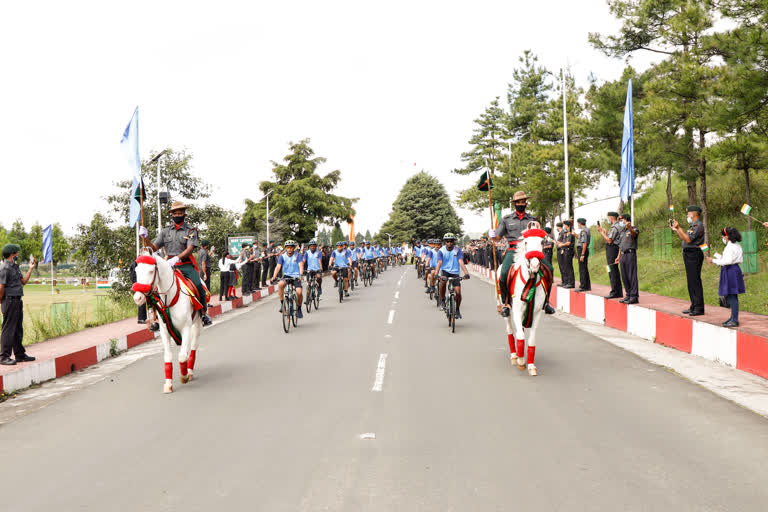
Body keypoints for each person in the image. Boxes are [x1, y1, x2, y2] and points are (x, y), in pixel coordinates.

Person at [141, 201, 212, 325]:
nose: (178, 215)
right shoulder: (165, 231)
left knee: (198, 286)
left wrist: (177, 258)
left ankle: (203, 313)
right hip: (168, 266)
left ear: (184, 214)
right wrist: (146, 237)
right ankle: (155, 317)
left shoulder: (191, 230)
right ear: (172, 215)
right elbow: (154, 247)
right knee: (154, 288)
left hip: (185, 264)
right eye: (175, 213)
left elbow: (190, 249)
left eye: (180, 212)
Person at [493, 191, 555, 315]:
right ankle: (505, 304)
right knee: (504, 273)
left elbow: (539, 235)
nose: (521, 204)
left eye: (523, 202)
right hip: (513, 250)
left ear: (526, 203)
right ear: (514, 203)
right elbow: (498, 237)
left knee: (549, 269)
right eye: (518, 202)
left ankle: (546, 302)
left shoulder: (532, 220)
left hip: (529, 251)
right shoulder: (506, 219)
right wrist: (493, 235)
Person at [0, 245, 37, 365]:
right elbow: (1, 287)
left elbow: (23, 282)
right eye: (17, 253)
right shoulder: (4, 268)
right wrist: (2, 302)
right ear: (12, 254)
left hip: (17, 300)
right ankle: (4, 357)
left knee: (17, 329)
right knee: (8, 329)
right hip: (9, 300)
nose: (18, 255)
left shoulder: (15, 267)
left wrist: (31, 269)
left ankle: (20, 354)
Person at [707, 227, 745, 327]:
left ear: (727, 237)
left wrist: (713, 261)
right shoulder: (736, 245)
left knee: (732, 295)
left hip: (730, 270)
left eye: (723, 236)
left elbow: (727, 261)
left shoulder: (730, 247)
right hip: (733, 269)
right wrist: (718, 257)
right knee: (731, 295)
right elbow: (730, 259)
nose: (722, 238)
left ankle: (735, 319)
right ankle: (732, 317)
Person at [672, 205, 706, 316]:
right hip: (689, 254)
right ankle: (694, 305)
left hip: (694, 254)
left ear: (694, 214)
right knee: (691, 281)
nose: (687, 215)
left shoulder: (697, 225)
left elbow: (688, 239)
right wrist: (677, 229)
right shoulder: (692, 226)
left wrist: (679, 227)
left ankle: (699, 307)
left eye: (688, 213)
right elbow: (684, 237)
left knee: (695, 281)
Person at [434, 233, 470, 319]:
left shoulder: (458, 250)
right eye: (447, 241)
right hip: (445, 271)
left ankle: (457, 309)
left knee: (458, 292)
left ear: (453, 241)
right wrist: (436, 274)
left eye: (451, 241)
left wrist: (466, 273)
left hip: (455, 272)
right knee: (442, 283)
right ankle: (442, 300)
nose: (449, 243)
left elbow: (461, 262)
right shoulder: (441, 251)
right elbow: (439, 263)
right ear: (445, 242)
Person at [271, 240, 304, 318]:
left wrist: (301, 275)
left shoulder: (298, 256)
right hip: (286, 276)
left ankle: (299, 308)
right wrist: (274, 276)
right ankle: (282, 304)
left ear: (294, 248)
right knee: (280, 284)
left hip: (296, 276)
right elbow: (278, 267)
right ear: (286, 248)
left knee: (299, 292)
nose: (289, 249)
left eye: (291, 247)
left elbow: (301, 266)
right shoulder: (282, 256)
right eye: (288, 247)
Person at [596, 212, 624, 299]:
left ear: (611, 217)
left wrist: (601, 232)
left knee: (612, 270)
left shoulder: (615, 226)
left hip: (612, 249)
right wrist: (606, 232)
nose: (608, 219)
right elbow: (612, 237)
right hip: (612, 249)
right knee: (612, 269)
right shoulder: (616, 226)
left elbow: (609, 241)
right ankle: (617, 291)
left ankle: (615, 291)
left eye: (608, 218)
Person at [617, 214, 639, 304]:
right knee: (624, 275)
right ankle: (628, 294)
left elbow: (634, 235)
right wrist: (618, 256)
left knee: (631, 275)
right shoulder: (622, 231)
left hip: (630, 254)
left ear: (627, 221)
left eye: (622, 220)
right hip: (623, 255)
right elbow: (620, 245)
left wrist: (630, 228)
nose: (621, 222)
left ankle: (634, 296)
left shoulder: (634, 228)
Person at [557, 220, 575, 288]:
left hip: (569, 251)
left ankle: (571, 283)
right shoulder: (566, 233)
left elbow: (568, 243)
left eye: (564, 225)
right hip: (565, 251)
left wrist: (561, 245)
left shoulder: (570, 233)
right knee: (566, 267)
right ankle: (567, 282)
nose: (563, 226)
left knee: (569, 267)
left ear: (567, 225)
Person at [129, 259, 148, 324]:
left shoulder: (135, 263)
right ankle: (142, 318)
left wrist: (134, 282)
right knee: (142, 299)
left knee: (141, 299)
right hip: (140, 282)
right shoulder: (140, 264)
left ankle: (142, 317)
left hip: (137, 283)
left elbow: (131, 274)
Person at [575, 219, 591, 292]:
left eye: (578, 223)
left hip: (582, 250)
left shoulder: (584, 231)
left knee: (582, 269)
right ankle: (587, 285)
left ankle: (583, 285)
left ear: (580, 223)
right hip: (583, 249)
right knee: (584, 268)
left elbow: (584, 243)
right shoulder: (585, 230)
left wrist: (582, 254)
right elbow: (580, 238)